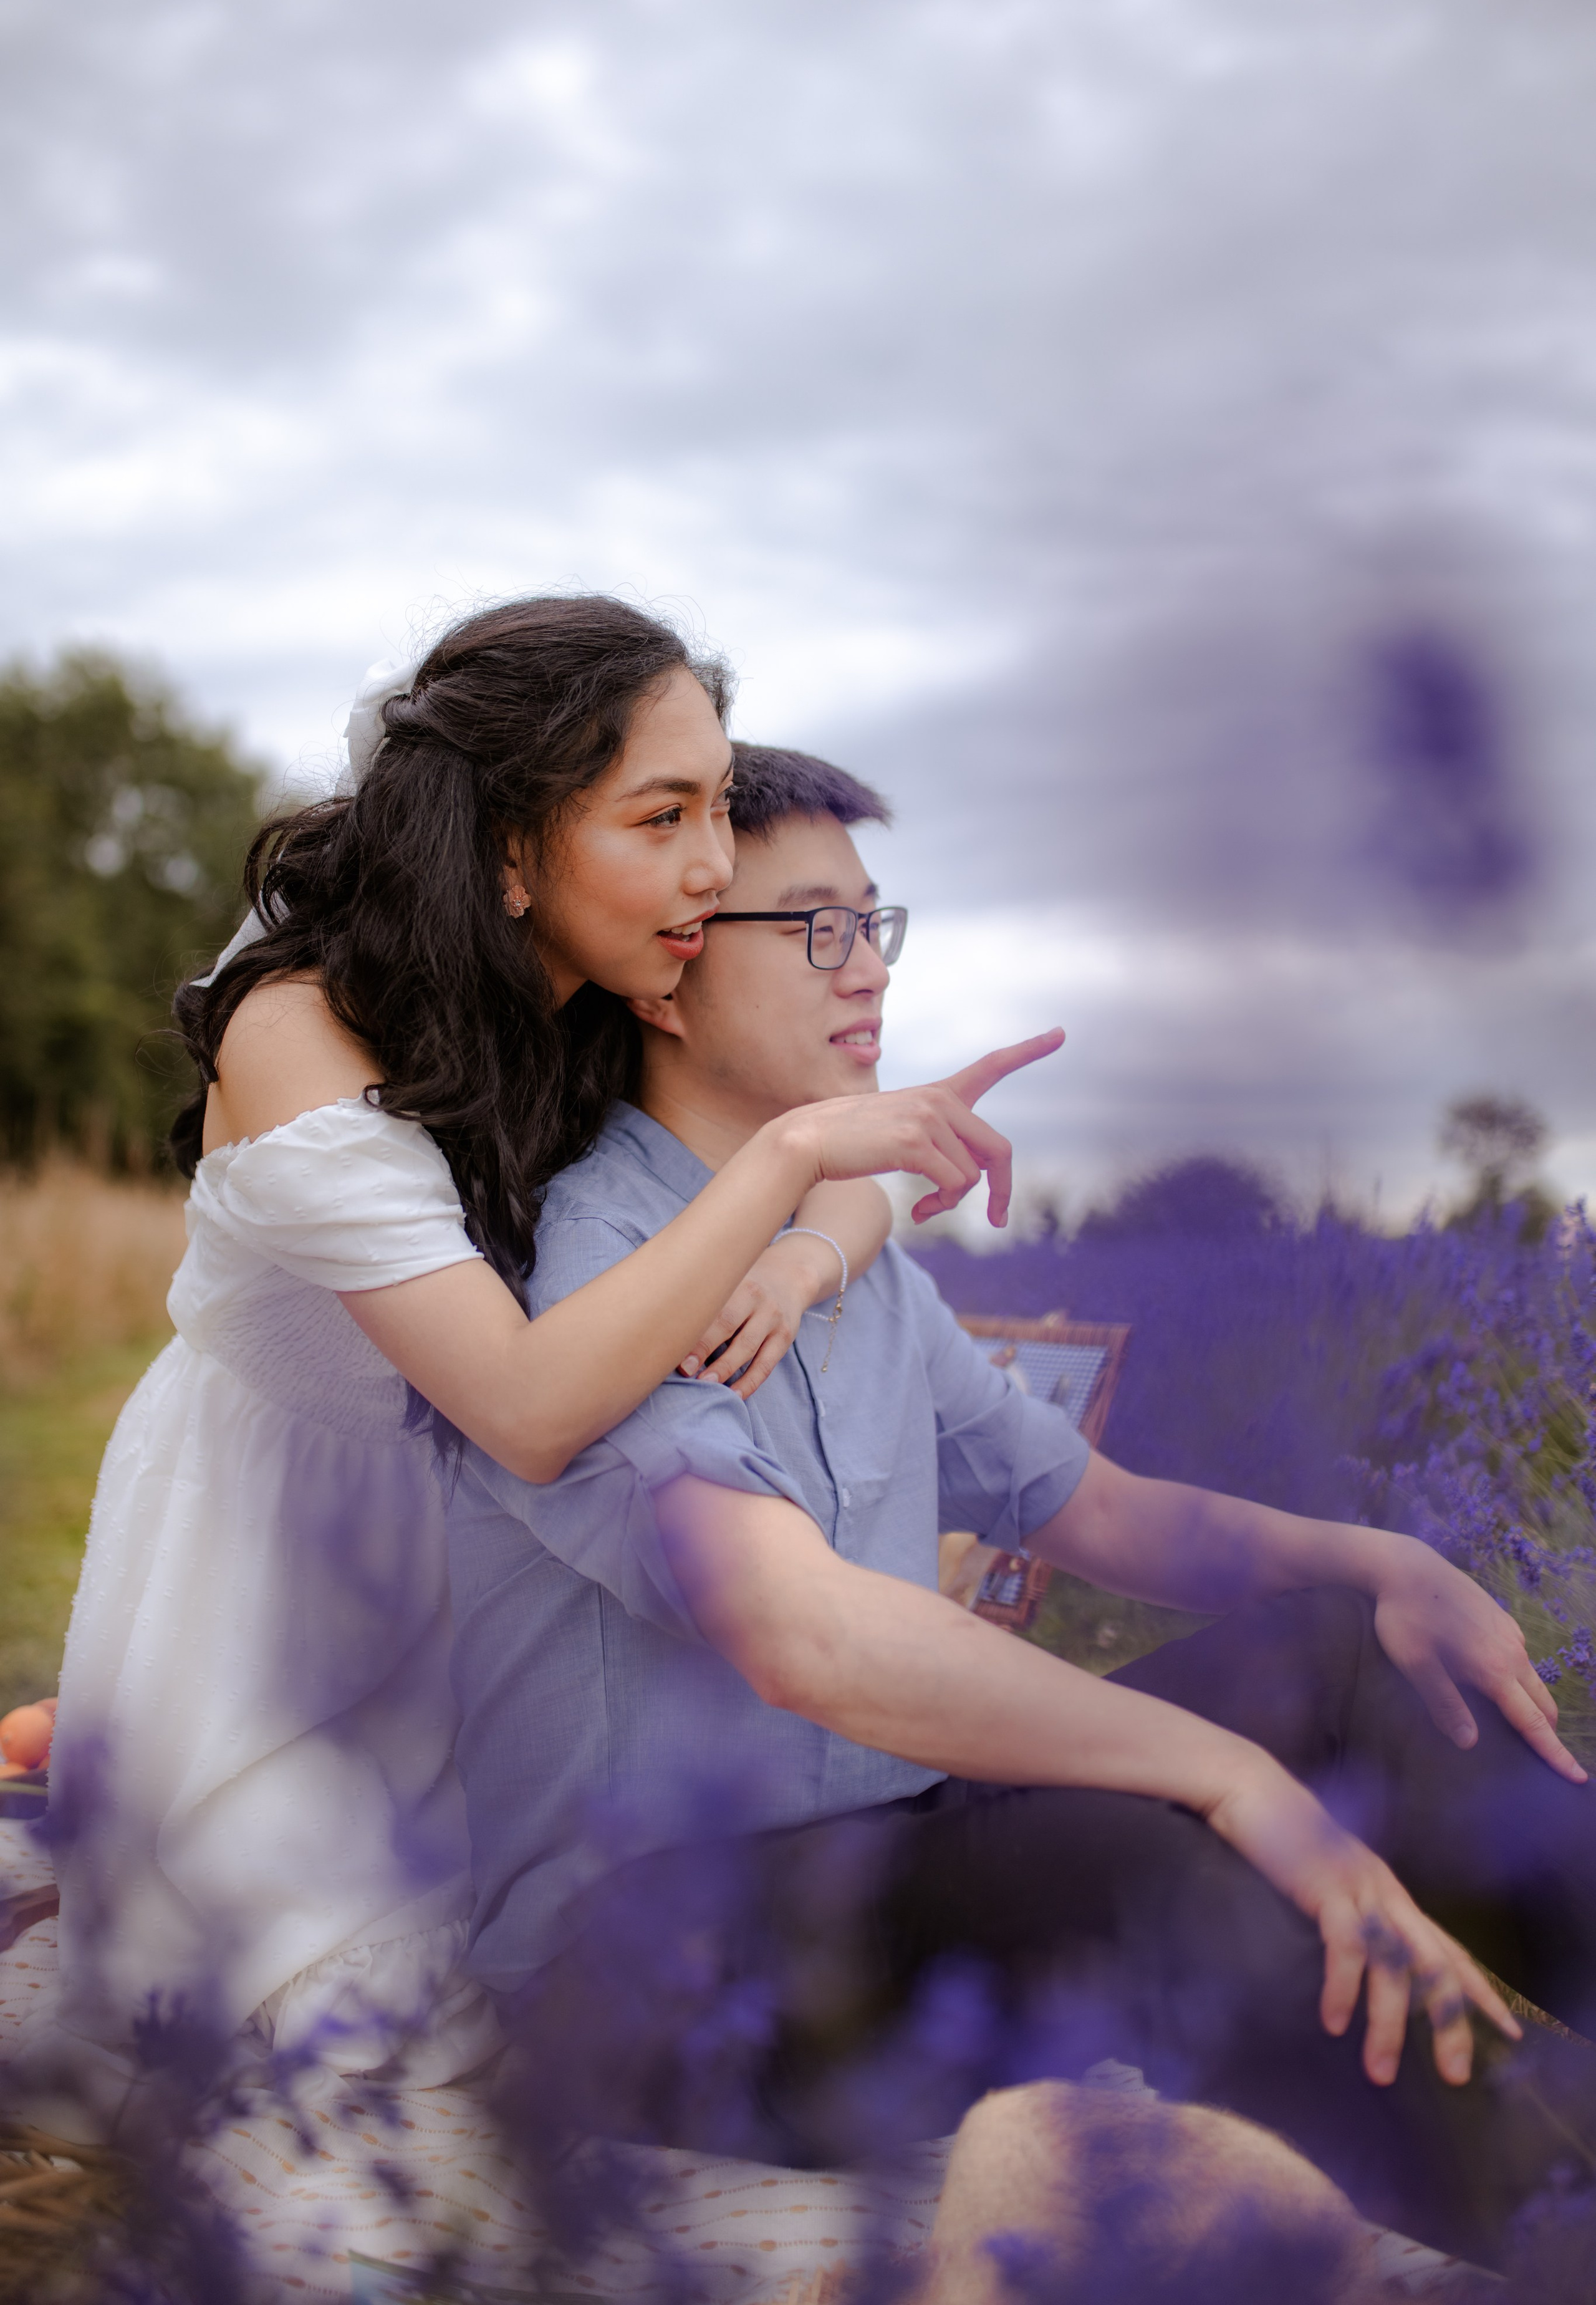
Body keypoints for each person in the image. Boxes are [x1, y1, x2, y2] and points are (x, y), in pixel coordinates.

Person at [446, 739, 1596, 2273]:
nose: (869, 968)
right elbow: (798, 1634)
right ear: (667, 973)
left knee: (1356, 1655)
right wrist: (1223, 1773)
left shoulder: (843, 1259)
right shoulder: (599, 1260)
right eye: (816, 929)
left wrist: (1378, 1554)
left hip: (890, 1851)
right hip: (662, 1953)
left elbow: (1092, 1510)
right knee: (1170, 1868)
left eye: (874, 921)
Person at [36, 600, 1055, 2129]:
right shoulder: (295, 1032)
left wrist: (801, 1244)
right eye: (662, 816)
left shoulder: (581, 1010)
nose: (712, 862)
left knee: (529, 1962)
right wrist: (785, 1167)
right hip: (280, 1575)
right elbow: (521, 1405)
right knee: (327, 2043)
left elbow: (852, 1159)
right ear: (512, 850)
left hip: (491, 1575)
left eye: (717, 805)